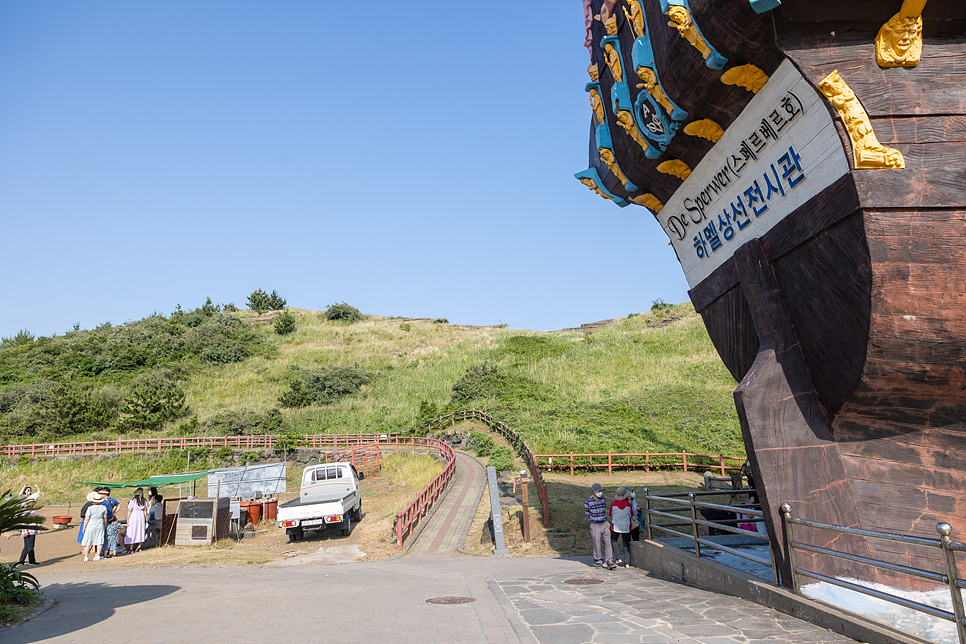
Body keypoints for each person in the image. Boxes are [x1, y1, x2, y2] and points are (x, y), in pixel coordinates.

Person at [584, 483, 615, 570]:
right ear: (594, 491)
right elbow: (587, 513)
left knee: (608, 542)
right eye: (599, 490)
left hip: (604, 523)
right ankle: (599, 560)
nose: (601, 492)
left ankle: (610, 561)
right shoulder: (588, 501)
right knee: (596, 543)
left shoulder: (603, 499)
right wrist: (592, 520)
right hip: (595, 524)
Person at [609, 487, 633, 568]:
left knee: (614, 540)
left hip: (615, 526)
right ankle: (627, 562)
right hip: (626, 526)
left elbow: (610, 514)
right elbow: (631, 515)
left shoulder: (613, 504)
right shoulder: (629, 504)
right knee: (626, 544)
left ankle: (618, 557)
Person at [81, 492, 107, 561]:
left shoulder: (90, 508)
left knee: (87, 541)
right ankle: (98, 555)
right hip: (100, 524)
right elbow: (105, 518)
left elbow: (87, 518)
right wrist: (104, 525)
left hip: (91, 524)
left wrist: (84, 527)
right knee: (99, 541)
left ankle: (86, 557)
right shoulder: (104, 508)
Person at [125, 488, 148, 552]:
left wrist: (128, 519)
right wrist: (145, 519)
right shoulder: (144, 501)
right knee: (140, 530)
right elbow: (145, 511)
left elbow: (129, 511)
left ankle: (131, 548)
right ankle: (139, 546)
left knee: (132, 530)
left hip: (134, 516)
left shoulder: (132, 501)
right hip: (141, 516)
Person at [18, 502, 40, 566]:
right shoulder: (26, 512)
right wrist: (25, 530)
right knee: (30, 546)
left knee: (28, 546)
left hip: (32, 530)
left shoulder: (32, 510)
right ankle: (31, 561)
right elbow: (24, 522)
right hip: (29, 531)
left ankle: (22, 561)